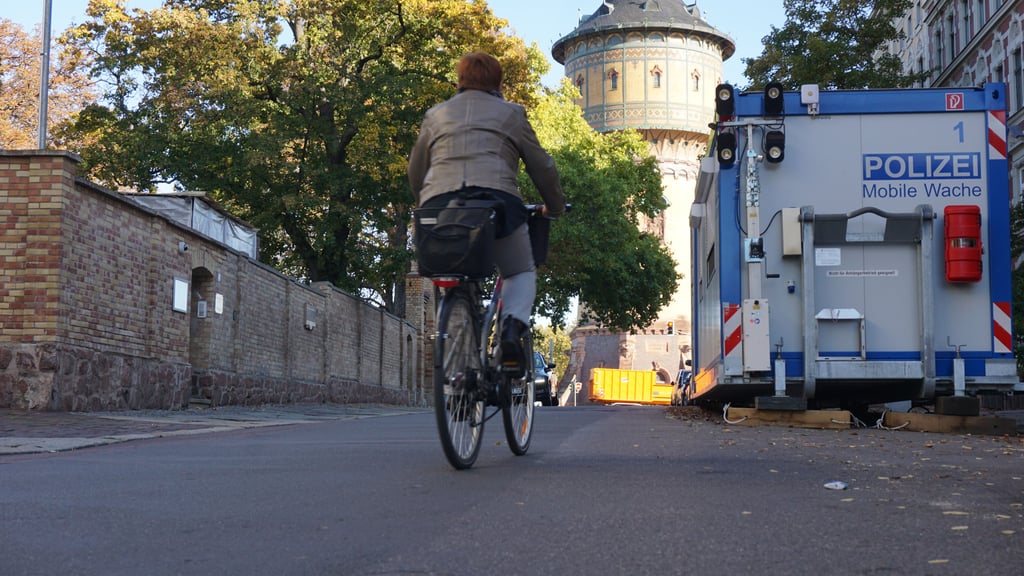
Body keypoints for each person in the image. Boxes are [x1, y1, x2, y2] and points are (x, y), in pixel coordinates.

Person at [408, 51, 566, 375]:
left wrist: (425, 202)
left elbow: (416, 170)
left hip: (441, 207)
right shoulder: (512, 114)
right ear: (498, 82)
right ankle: (510, 329)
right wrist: (555, 206)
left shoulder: (436, 115)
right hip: (496, 203)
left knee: (451, 273)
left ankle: (457, 361)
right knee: (519, 271)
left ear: (460, 80)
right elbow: (543, 167)